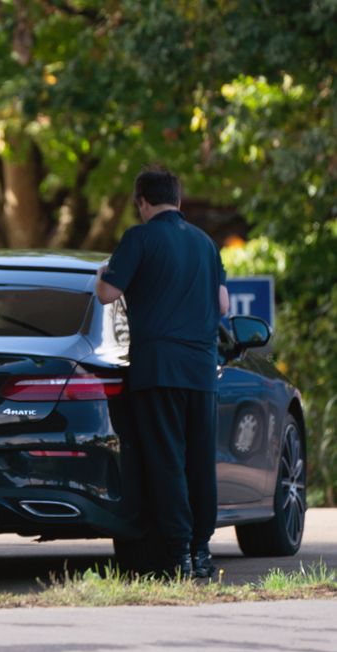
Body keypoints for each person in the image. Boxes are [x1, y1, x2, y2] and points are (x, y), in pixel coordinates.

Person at [96, 166, 229, 578]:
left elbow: (107, 293)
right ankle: (202, 551)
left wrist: (102, 271)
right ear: (179, 199)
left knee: (167, 460)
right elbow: (223, 304)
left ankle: (177, 554)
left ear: (142, 202)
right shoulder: (205, 244)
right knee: (199, 461)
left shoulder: (139, 238)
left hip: (157, 370)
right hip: (202, 371)